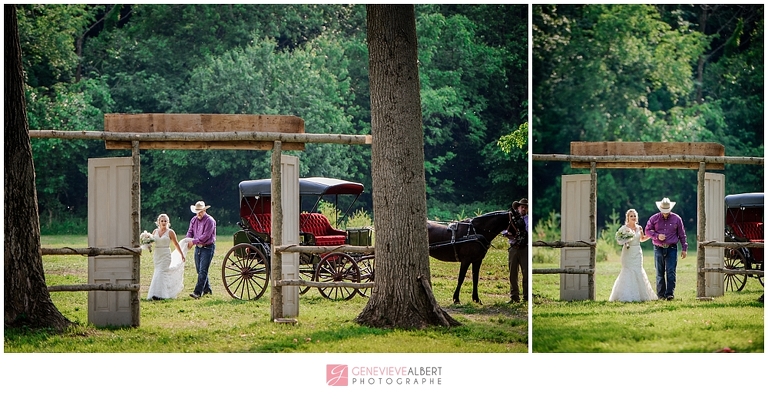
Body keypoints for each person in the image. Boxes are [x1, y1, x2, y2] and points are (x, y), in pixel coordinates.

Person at [609, 209, 657, 302]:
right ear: (628, 218)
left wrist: (651, 235)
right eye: (631, 216)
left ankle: (642, 294)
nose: (633, 217)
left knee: (638, 270)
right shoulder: (624, 228)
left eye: (634, 216)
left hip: (637, 252)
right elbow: (619, 240)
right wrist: (625, 241)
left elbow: (642, 239)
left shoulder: (639, 228)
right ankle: (626, 294)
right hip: (628, 252)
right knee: (627, 270)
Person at [645, 197, 687, 300]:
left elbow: (682, 234)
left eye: (667, 211)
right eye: (664, 211)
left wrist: (684, 248)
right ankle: (660, 295)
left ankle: (669, 294)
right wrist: (657, 236)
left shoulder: (677, 219)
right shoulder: (654, 218)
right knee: (659, 272)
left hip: (672, 248)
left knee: (671, 271)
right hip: (658, 248)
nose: (665, 213)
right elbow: (647, 231)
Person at [146, 214, 190, 300]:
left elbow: (176, 244)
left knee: (161, 272)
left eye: (165, 221)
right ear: (158, 222)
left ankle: (161, 295)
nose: (163, 222)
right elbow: (151, 242)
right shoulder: (155, 231)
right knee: (157, 272)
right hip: (157, 254)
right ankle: (154, 293)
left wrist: (181, 254)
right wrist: (147, 244)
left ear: (168, 222)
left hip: (166, 254)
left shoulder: (170, 232)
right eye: (162, 221)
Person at [187, 201, 216, 299]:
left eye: (200, 211)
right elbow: (190, 232)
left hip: (208, 247)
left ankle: (197, 292)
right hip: (198, 247)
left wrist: (193, 241)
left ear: (204, 210)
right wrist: (187, 240)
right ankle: (207, 290)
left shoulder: (210, 221)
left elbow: (206, 236)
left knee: (203, 270)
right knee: (199, 270)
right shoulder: (193, 220)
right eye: (197, 211)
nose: (198, 213)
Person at [502, 198, 528, 303]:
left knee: (526, 273)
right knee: (513, 273)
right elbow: (504, 229)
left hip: (524, 248)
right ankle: (514, 296)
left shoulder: (529, 220)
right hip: (513, 248)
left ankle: (526, 296)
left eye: (526, 207)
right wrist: (507, 234)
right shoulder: (511, 219)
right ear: (518, 208)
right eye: (522, 207)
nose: (524, 209)